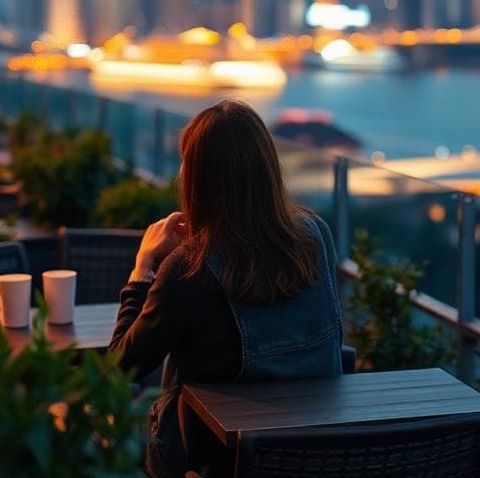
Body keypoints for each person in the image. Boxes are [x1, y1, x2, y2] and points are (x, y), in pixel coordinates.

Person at [108, 100, 343, 477]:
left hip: (210, 464)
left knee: (102, 430)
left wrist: (142, 270)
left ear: (196, 177)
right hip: (314, 457)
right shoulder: (316, 237)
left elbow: (118, 369)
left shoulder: (190, 269)